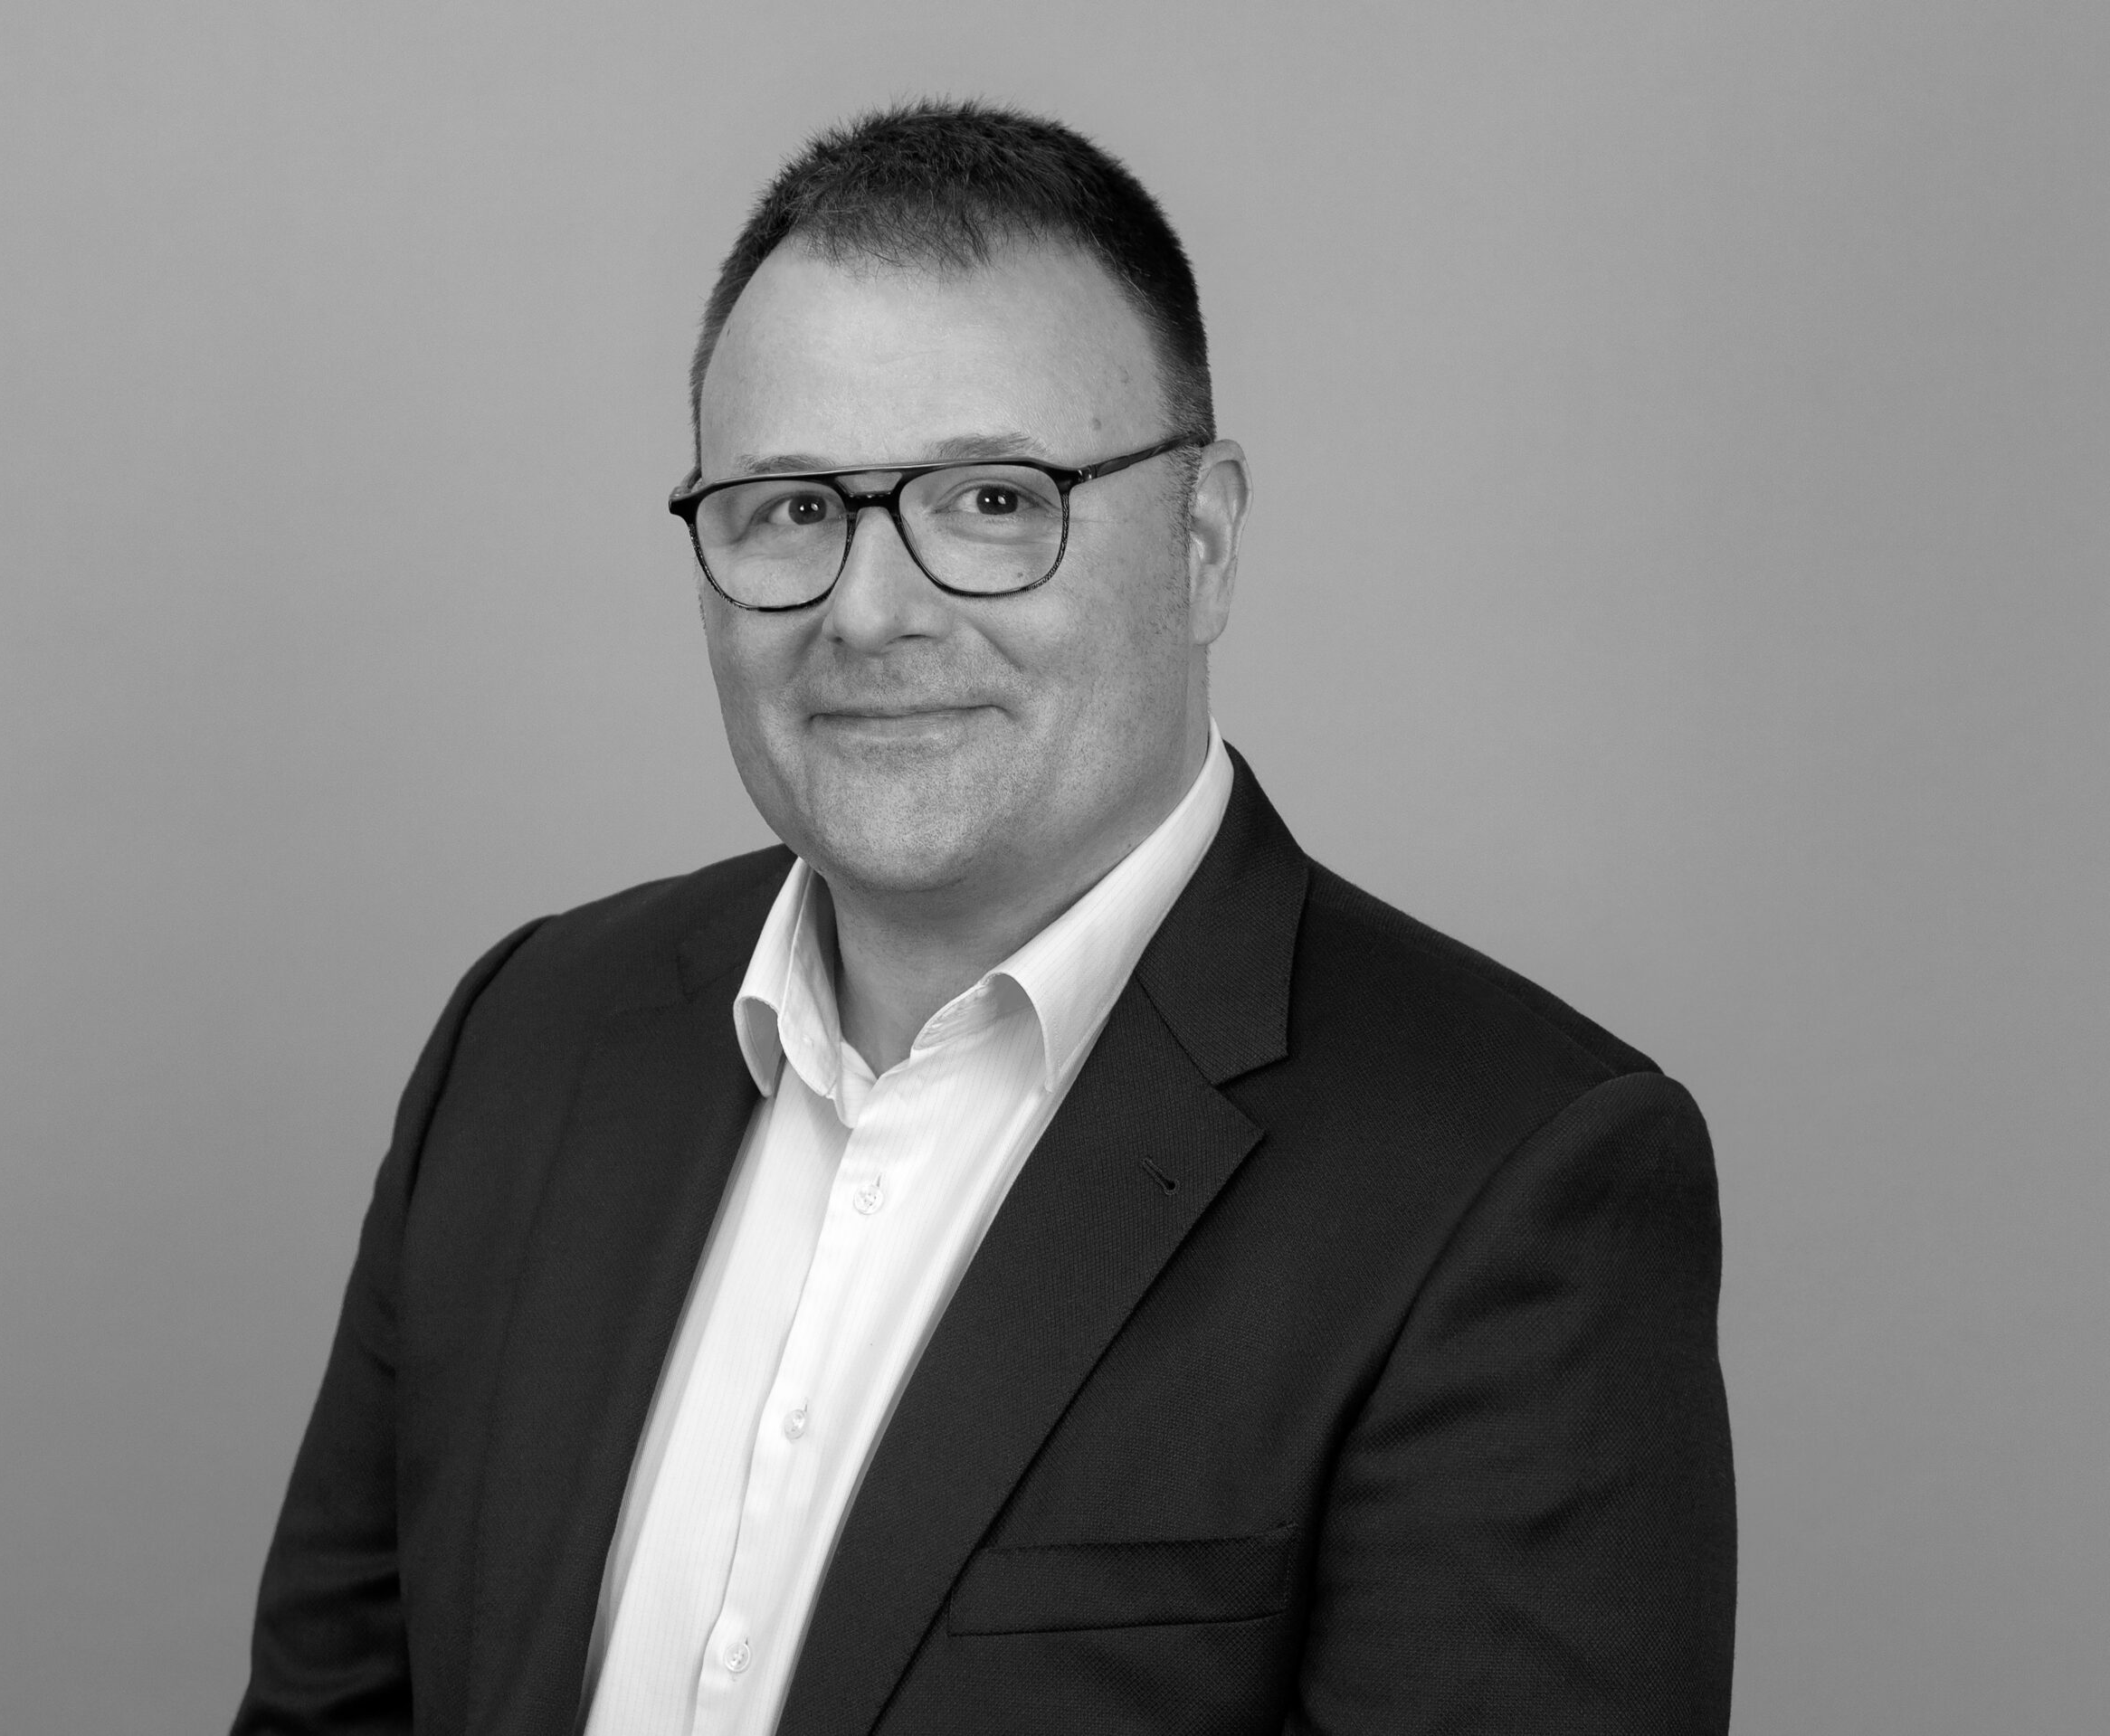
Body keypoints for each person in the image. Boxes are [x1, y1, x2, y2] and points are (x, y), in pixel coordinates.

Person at [233, 100, 1735, 1735]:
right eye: (792, 509)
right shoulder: (527, 1039)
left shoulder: (1513, 1179)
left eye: (995, 502)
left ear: (1204, 541)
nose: (872, 611)